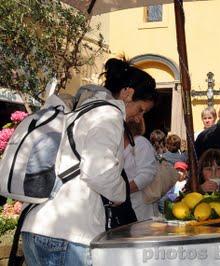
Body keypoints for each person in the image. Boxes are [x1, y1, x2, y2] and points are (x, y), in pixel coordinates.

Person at [21, 57, 157, 266]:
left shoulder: (80, 111)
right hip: (68, 234)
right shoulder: (108, 115)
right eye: (140, 110)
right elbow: (98, 173)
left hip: (37, 226)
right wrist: (120, 194)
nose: (139, 118)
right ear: (128, 93)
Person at [124, 119, 158, 221]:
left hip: (141, 206)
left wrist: (122, 190)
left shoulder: (140, 143)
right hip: (126, 205)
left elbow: (147, 175)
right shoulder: (116, 145)